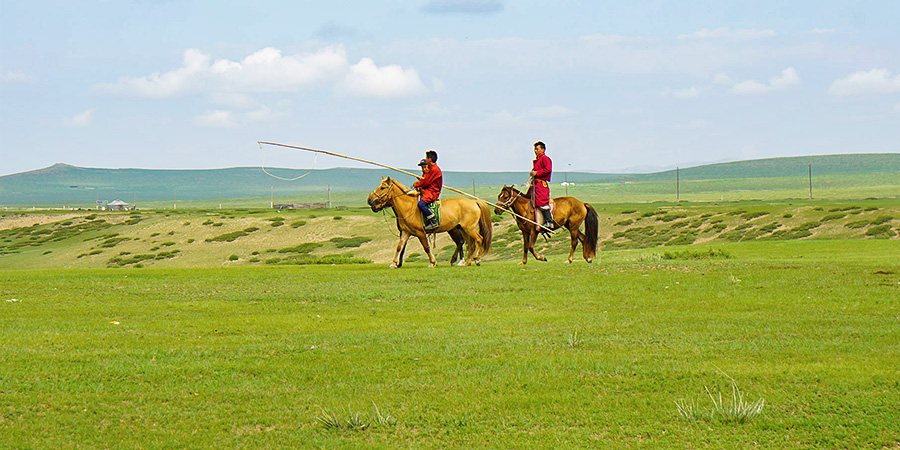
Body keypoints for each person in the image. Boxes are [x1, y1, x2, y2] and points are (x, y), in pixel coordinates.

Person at [413, 150, 442, 231]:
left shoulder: (434, 169)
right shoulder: (431, 169)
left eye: (426, 157)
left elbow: (426, 182)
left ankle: (433, 221)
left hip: (432, 192)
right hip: (428, 191)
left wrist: (417, 184)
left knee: (420, 204)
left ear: (429, 159)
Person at [529, 141, 553, 230]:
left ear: (543, 149)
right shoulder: (538, 160)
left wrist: (537, 173)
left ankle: (549, 221)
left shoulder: (545, 158)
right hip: (535, 184)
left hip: (541, 185)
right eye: (534, 149)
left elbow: (548, 169)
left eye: (537, 149)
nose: (535, 151)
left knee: (542, 202)